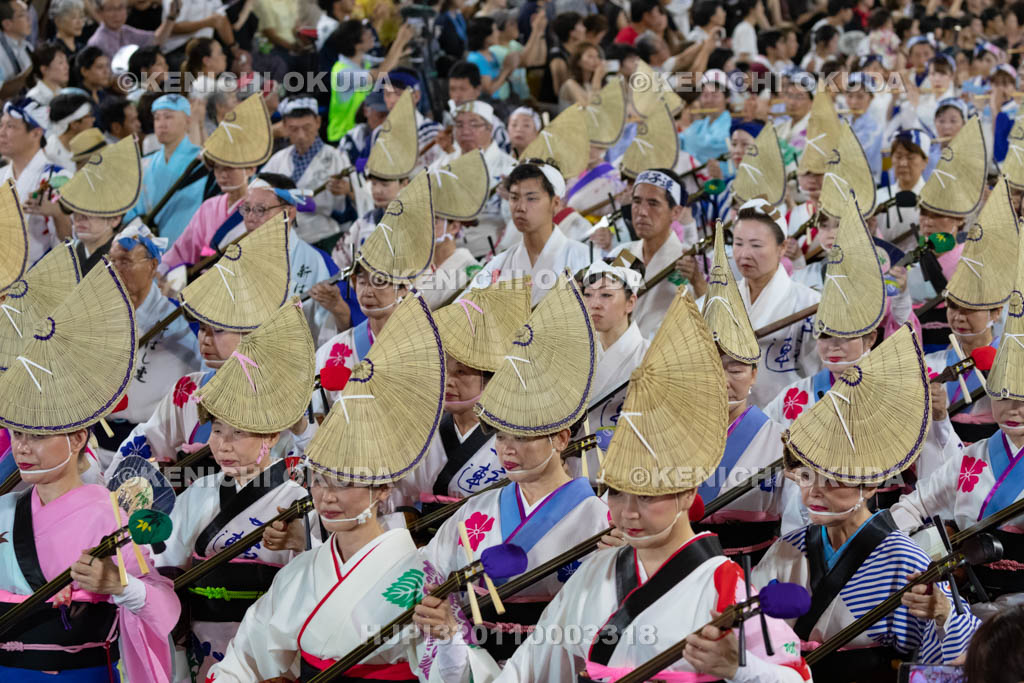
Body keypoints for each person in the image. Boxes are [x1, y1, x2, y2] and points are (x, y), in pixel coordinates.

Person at [458, 290, 810, 681]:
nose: (626, 512)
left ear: (685, 494)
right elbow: (531, 669)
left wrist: (738, 668)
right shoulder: (593, 575)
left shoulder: (724, 587)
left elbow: (798, 677)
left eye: (646, 496)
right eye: (617, 493)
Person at [208, 294, 459, 682]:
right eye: (319, 480)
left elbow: (449, 671)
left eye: (343, 482)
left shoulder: (422, 573)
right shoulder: (302, 570)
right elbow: (245, 658)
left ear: (382, 490)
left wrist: (448, 637)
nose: (326, 496)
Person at [754, 326, 979, 682]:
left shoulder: (907, 560)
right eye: (807, 477)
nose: (813, 492)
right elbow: (754, 638)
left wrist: (942, 612)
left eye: (832, 479)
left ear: (872, 484)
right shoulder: (788, 548)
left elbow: (952, 653)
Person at [0, 260, 180, 682]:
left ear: (78, 438)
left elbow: (165, 610)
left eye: (37, 436)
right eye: (16, 434)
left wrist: (118, 584)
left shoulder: (110, 513)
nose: (22, 448)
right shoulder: (5, 509)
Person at [415, 275, 610, 663]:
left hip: (552, 663)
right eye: (501, 437)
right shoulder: (475, 509)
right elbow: (432, 576)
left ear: (560, 438)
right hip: (472, 654)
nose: (507, 450)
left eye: (521, 437)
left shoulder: (599, 520)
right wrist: (438, 616)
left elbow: (602, 616)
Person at [157, 301, 319, 681]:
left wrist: (304, 539)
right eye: (216, 432)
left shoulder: (295, 498)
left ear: (272, 436)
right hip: (201, 636)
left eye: (238, 433)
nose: (223, 445)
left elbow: (308, 581)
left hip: (265, 642)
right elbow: (169, 563)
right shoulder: (199, 492)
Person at [890, 227, 1024, 618]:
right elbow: (912, 504)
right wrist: (926, 552)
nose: (1012, 408)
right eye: (1001, 396)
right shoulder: (974, 457)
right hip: (966, 599)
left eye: (1022, 398)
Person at [107, 218, 293, 473]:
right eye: (202, 328)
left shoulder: (281, 393)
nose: (204, 338)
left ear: (251, 333)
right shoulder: (189, 388)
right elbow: (148, 440)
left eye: (217, 330)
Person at [696, 223, 798, 558]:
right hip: (678, 567)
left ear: (754, 375)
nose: (722, 380)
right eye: (711, 367)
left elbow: (797, 520)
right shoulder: (668, 432)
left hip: (755, 567)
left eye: (735, 369)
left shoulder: (780, 441)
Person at [389, 280, 530, 516]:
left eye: (461, 372)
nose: (448, 381)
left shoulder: (514, 433)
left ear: (489, 378)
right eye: (444, 370)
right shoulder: (424, 429)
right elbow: (399, 490)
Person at [683, 198, 821, 407]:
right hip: (724, 418)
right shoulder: (712, 302)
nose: (744, 254)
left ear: (782, 247)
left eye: (756, 245)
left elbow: (819, 374)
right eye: (738, 243)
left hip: (786, 424)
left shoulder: (809, 304)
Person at [922, 179, 1017, 446]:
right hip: (941, 452)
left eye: (970, 310)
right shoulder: (932, 364)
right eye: (953, 307)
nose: (958, 317)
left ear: (996, 313)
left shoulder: (1013, 362)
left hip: (992, 456)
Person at [98, 220, 200, 466]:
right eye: (111, 261)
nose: (115, 269)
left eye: (125, 262)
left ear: (153, 266)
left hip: (152, 441)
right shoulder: (98, 314)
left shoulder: (179, 320)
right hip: (97, 436)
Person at [468, 161, 591, 305]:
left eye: (531, 198)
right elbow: (468, 307)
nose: (520, 207)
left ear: (555, 203)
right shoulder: (499, 263)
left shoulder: (583, 257)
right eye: (514, 198)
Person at [574, 259, 649, 481]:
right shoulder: (573, 355)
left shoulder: (650, 358)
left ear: (630, 302)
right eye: (588, 295)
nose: (595, 303)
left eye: (606, 295)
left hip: (627, 473)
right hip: (571, 473)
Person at [261, 95, 354, 245]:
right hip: (282, 238)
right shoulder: (278, 159)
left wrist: (349, 191)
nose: (301, 136)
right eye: (294, 129)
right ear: (284, 126)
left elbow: (357, 203)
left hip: (323, 236)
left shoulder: (337, 157)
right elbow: (257, 190)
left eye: (307, 127)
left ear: (318, 122)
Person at [608, 168, 687, 339]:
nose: (642, 212)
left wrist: (699, 283)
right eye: (636, 201)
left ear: (676, 212)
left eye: (653, 203)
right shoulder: (623, 253)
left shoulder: (689, 260)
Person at [434, 100, 518, 260]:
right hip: (443, 252)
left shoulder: (509, 167)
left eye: (474, 125)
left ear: (490, 129)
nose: (465, 131)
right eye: (459, 125)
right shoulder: (441, 164)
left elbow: (515, 219)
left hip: (489, 252)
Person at [124, 93, 206, 247]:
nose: (161, 124)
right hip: (149, 245)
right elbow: (133, 209)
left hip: (189, 246)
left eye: (168, 117)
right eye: (157, 118)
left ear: (188, 121)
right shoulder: (145, 163)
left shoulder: (203, 162)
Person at [0, 99, 72, 264]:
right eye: (1, 125)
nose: (2, 132)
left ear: (36, 133)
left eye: (10, 126)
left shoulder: (57, 178)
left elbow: (70, 247)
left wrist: (58, 214)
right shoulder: (2, 175)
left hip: (37, 278)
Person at [414, 151, 486, 310]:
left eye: (435, 220)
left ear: (454, 227)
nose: (426, 226)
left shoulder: (472, 271)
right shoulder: (413, 269)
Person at [325, 18, 414, 141]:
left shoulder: (363, 61)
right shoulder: (342, 73)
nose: (371, 33)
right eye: (365, 32)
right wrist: (400, 40)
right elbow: (381, 72)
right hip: (343, 137)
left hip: (362, 133)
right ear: (356, 43)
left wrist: (404, 48)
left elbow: (389, 64)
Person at [875, 129, 928, 252]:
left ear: (925, 162)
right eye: (898, 157)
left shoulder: (936, 199)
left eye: (911, 157)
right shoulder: (878, 197)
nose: (903, 163)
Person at [86, 0, 176, 58]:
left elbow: (156, 40)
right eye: (110, 9)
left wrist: (171, 17)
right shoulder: (98, 41)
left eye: (120, 8)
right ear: (100, 13)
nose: (116, 14)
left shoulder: (126, 31)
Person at [679, 69, 732, 164]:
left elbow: (708, 147)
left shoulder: (732, 125)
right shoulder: (698, 125)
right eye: (705, 95)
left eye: (715, 96)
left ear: (727, 99)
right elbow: (679, 141)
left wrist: (685, 127)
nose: (709, 100)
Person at [44, 91, 96, 170]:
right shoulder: (52, 154)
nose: (93, 119)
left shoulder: (79, 144)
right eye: (89, 116)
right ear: (74, 124)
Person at [0, 0, 34, 99]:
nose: (29, 18)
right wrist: (28, 75)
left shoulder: (27, 47)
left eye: (27, 13)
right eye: (22, 15)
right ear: (7, 24)